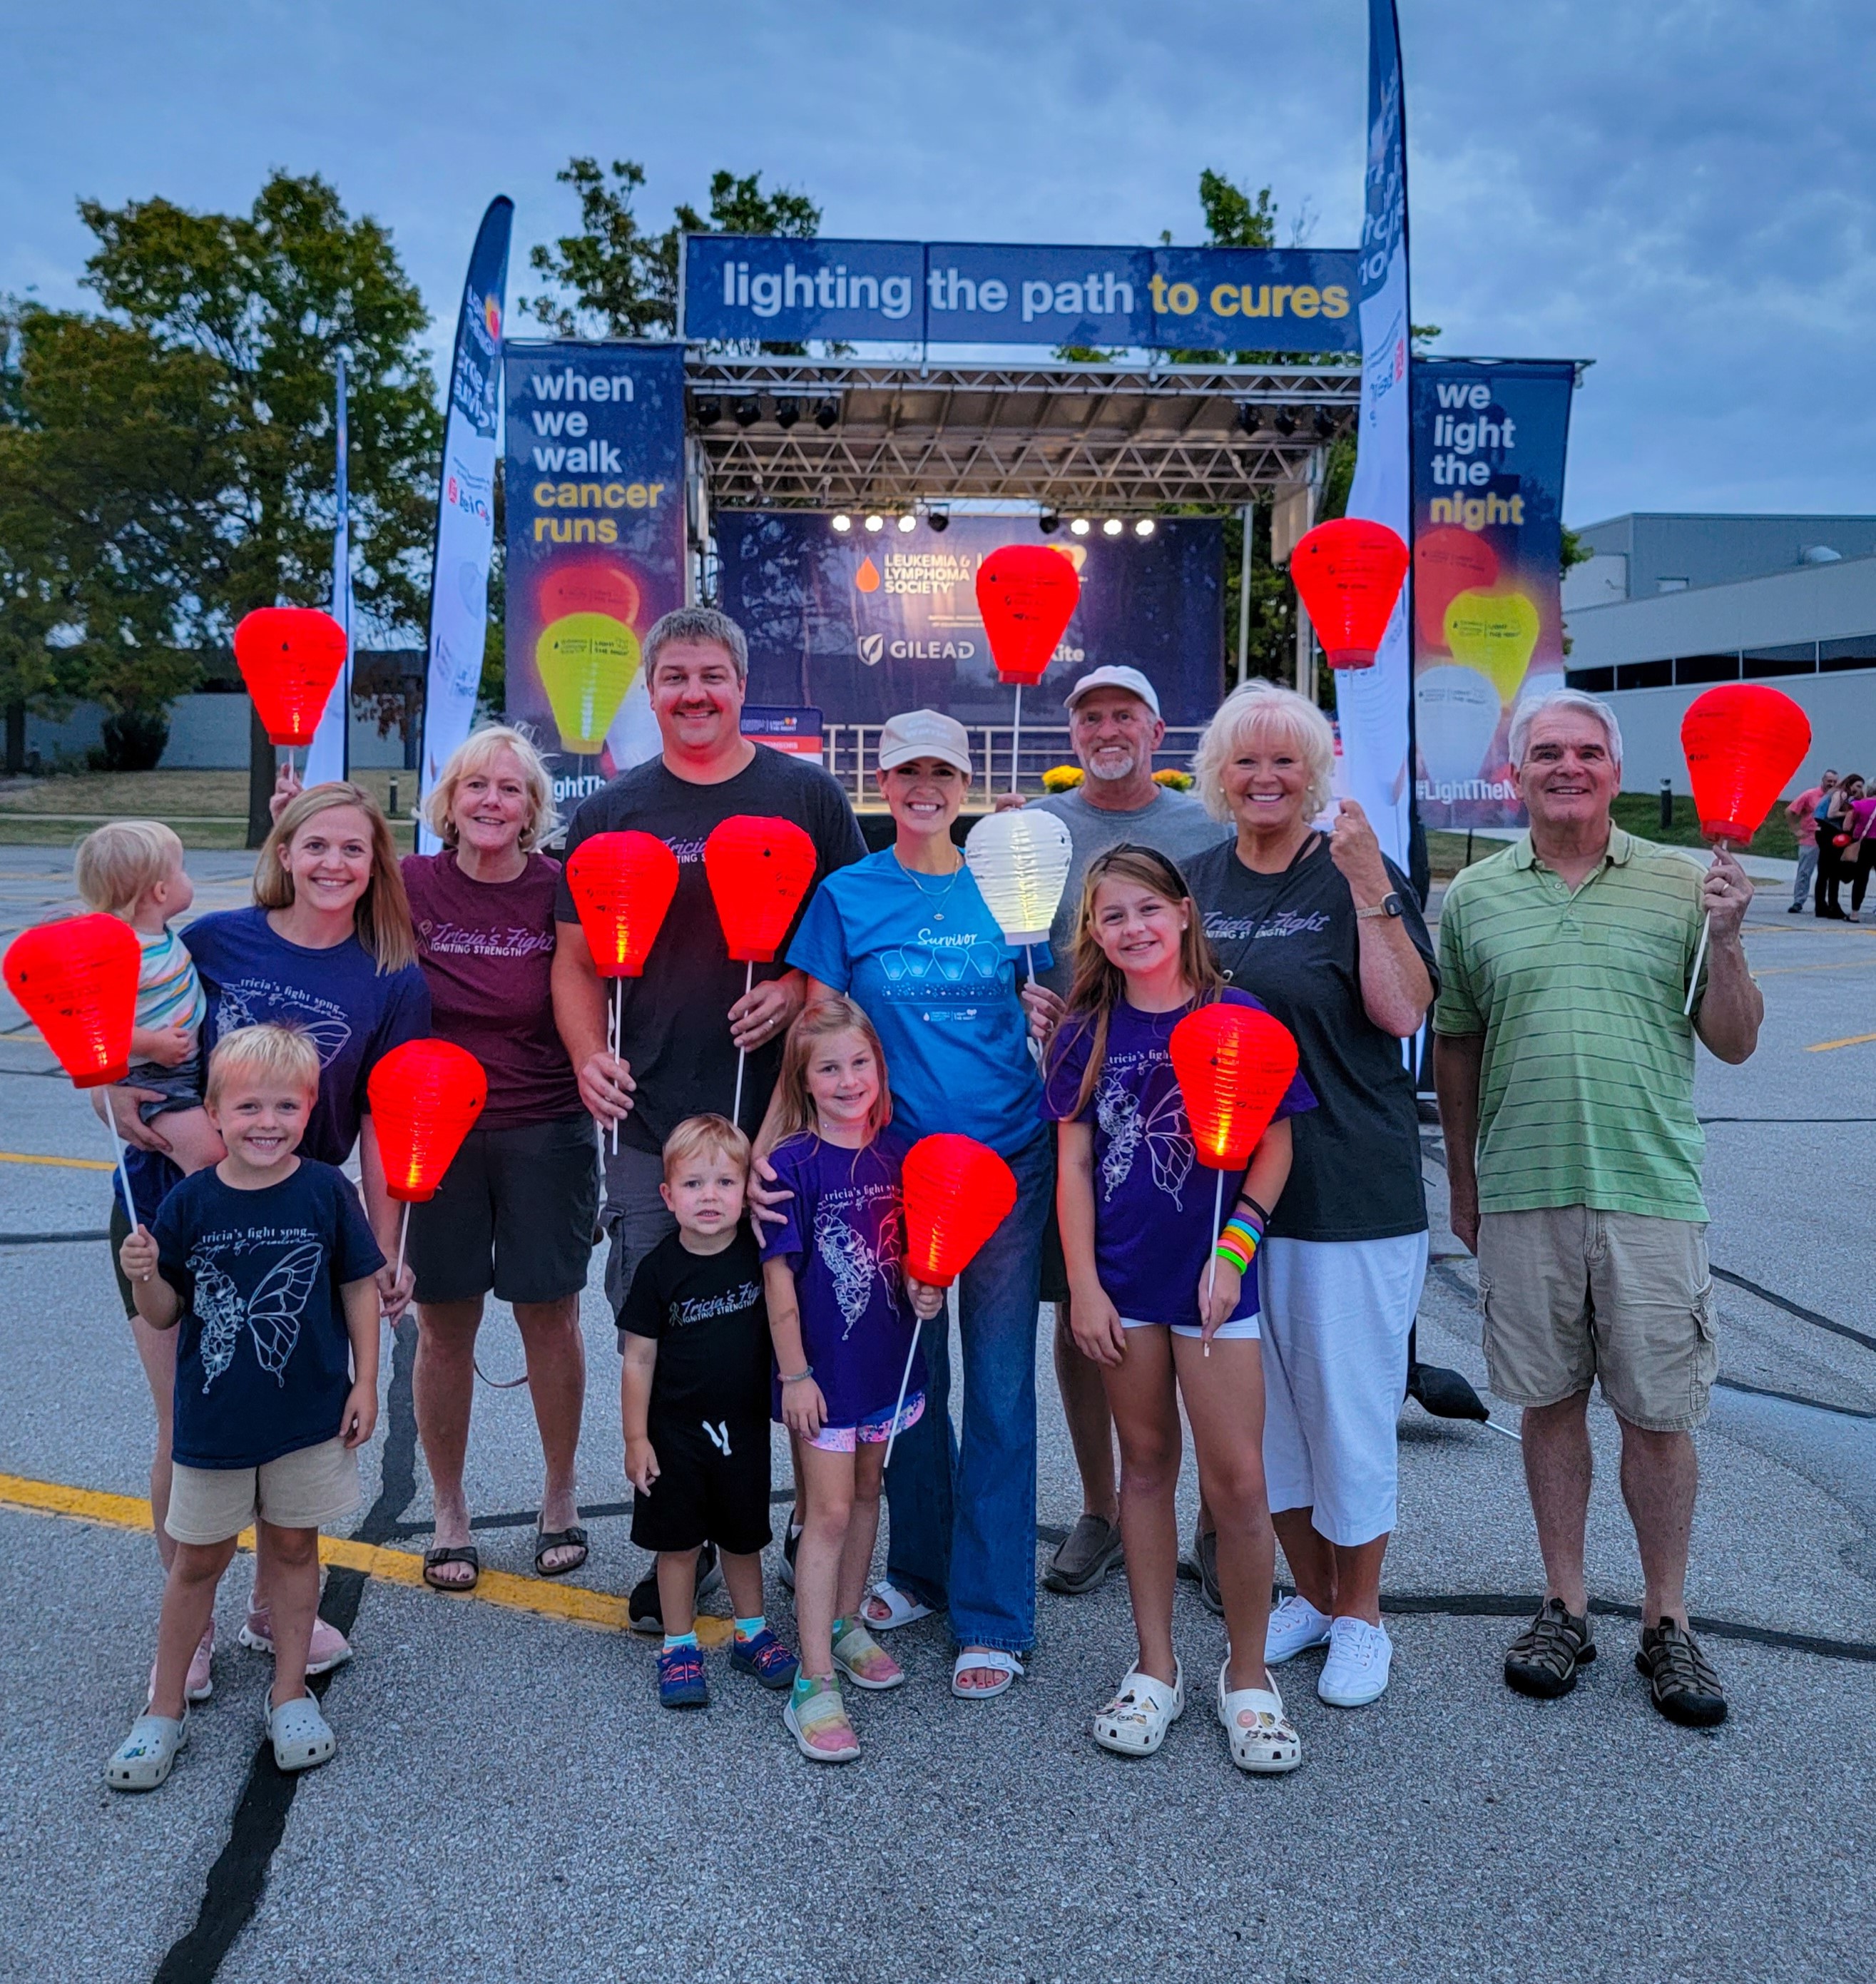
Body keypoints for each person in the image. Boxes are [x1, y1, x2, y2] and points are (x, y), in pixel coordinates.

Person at [1434, 688, 1762, 1728]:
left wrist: (1730, 938)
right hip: (1524, 1190)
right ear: (1515, 776)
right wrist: (1463, 1180)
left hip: (1650, 1189)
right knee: (1546, 1404)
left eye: (1585, 752)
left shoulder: (1680, 885)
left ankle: (1666, 1622)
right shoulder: (1476, 897)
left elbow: (1736, 1038)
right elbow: (1457, 1044)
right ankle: (1562, 1605)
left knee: (1659, 1417)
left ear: (1615, 774)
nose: (1565, 767)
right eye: (1545, 754)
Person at [551, 605, 865, 1631]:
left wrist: (789, 986)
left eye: (712, 677)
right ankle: (672, 1534)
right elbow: (571, 958)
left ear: (741, 686)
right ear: (651, 689)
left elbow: (846, 929)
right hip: (651, 1131)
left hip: (775, 1124)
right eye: (675, 677)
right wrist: (587, 1053)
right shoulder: (611, 811)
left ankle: (767, 1522)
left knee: (776, 1338)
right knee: (671, 1340)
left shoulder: (804, 794)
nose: (694, 695)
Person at [106, 781, 431, 1684]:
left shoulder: (390, 972)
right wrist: (110, 1086)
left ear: (376, 867)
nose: (334, 864)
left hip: (302, 1228)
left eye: (354, 850)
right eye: (316, 845)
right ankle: (193, 1619)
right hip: (178, 1214)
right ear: (283, 851)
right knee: (190, 1423)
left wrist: (385, 1251)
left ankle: (266, 1607)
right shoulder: (213, 941)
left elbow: (384, 1120)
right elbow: (125, 1042)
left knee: (292, 1427)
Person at [780, 710, 1053, 1701]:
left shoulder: (1010, 886)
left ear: (965, 781)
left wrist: (1050, 1012)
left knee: (999, 1388)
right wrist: (786, 1158)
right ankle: (923, 1572)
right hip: (894, 1178)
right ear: (883, 783)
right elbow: (818, 1034)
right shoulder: (847, 894)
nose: (923, 787)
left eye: (942, 771)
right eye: (906, 772)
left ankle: (994, 1614)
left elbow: (1059, 997)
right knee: (911, 1386)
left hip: (1008, 1168)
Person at [1181, 681, 1437, 1707]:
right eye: (1245, 761)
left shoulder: (1353, 871)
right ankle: (1315, 1597)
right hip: (1233, 1198)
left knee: (1347, 1412)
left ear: (1315, 774)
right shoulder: (1194, 880)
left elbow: (1403, 1009)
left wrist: (1372, 887)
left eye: (1285, 761)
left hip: (1351, 1191)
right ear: (1217, 776)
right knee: (1265, 1422)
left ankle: (1363, 1614)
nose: (1265, 778)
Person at [1045, 845, 1316, 1771]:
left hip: (1211, 1293)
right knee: (1147, 1468)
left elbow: (1272, 1152)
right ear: (1094, 933)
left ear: (1184, 912)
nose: (1132, 929)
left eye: (1146, 910)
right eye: (1110, 916)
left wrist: (1232, 1251)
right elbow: (1073, 1167)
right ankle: (1154, 1665)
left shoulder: (1234, 1016)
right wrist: (1081, 1283)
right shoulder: (1086, 1028)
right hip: (1123, 1289)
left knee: (1237, 1482)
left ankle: (1246, 1676)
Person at [106, 1026, 384, 1791]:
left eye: (286, 1106)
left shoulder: (328, 1189)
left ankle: (289, 1693)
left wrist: (366, 1382)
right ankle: (164, 1708)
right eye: (249, 1106)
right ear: (215, 1113)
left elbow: (359, 1284)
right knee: (197, 1560)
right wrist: (143, 1276)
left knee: (295, 1550)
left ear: (309, 1109)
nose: (268, 1122)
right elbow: (165, 1314)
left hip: (306, 1415)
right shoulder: (189, 1201)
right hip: (216, 1421)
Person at [1007, 665, 1230, 1599]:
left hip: (1188, 1107)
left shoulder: (1202, 829)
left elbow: (1223, 960)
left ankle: (1218, 1523)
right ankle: (1101, 1508)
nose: (1106, 729)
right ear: (1073, 731)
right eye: (1090, 715)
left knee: (1207, 1310)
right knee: (1081, 1308)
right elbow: (1003, 946)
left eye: (1123, 715)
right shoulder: (1035, 833)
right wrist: (1017, 1000)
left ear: (1155, 727)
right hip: (1078, 1101)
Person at [401, 726, 597, 1590]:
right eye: (475, 785)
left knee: (549, 1317)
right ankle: (450, 1509)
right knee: (445, 1327)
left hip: (543, 1124)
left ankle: (559, 1497)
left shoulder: (560, 891)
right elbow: (304, 903)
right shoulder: (405, 886)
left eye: (510, 790)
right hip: (430, 1135)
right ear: (447, 801)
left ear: (532, 811)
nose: (491, 801)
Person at [760, 998, 947, 1760]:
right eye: (828, 1068)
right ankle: (811, 1681)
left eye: (858, 1063)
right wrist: (795, 1375)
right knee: (828, 1514)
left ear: (879, 1065)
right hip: (823, 1377)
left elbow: (908, 1255)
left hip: (887, 1364)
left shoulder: (902, 1152)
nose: (846, 1080)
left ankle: (843, 1624)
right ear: (804, 1082)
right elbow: (778, 1284)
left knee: (869, 1495)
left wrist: (923, 1286)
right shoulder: (789, 1167)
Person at [620, 1115, 799, 1710]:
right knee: (677, 1545)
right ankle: (678, 1644)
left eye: (725, 1182)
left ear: (746, 1189)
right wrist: (635, 1438)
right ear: (667, 1195)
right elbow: (639, 1360)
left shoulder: (756, 1256)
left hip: (742, 1430)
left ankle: (750, 1632)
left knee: (742, 1537)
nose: (709, 1197)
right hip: (674, 1436)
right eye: (694, 1184)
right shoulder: (657, 1272)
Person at [74, 821, 223, 1175]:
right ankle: (194, 1224)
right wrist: (153, 1043)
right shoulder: (120, 954)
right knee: (209, 1160)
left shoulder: (157, 937)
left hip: (179, 1072)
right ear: (160, 891)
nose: (188, 878)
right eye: (182, 870)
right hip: (151, 1081)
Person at [1785, 770, 1836, 914]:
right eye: (1829, 781)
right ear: (1823, 780)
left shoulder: (1836, 798)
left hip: (1828, 840)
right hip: (1810, 839)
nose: (1831, 784)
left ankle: (1821, 902)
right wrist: (1796, 830)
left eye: (1834, 782)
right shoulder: (1810, 795)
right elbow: (1790, 811)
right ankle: (1798, 901)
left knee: (1825, 873)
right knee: (1805, 872)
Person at [1816, 774, 1863, 919]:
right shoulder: (1841, 794)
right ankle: (1833, 906)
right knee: (1833, 872)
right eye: (1858, 786)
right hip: (1829, 832)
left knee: (1824, 872)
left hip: (1824, 832)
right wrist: (1848, 813)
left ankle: (1822, 906)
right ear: (1850, 784)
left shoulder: (1840, 794)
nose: (1859, 790)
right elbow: (1831, 813)